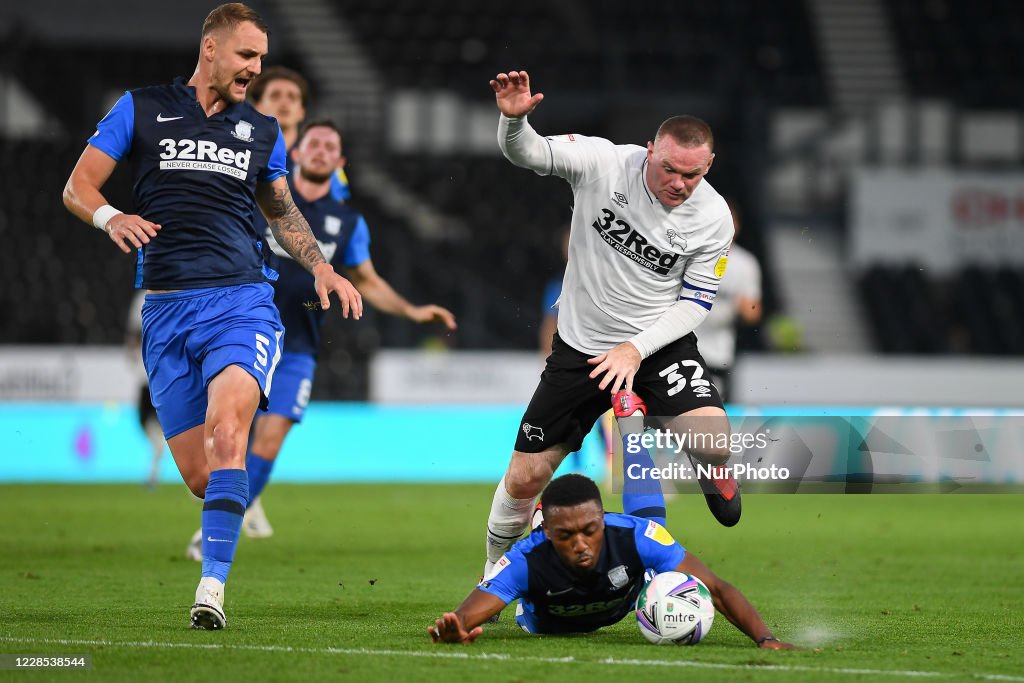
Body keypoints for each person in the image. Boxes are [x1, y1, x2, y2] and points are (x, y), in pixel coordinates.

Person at [62, 3, 362, 630]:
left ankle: (211, 590)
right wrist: (109, 217)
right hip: (167, 311)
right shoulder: (140, 108)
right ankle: (222, 522)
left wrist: (323, 269)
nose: (255, 69)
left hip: (241, 302)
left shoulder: (261, 130)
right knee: (204, 477)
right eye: (247, 56)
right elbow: (77, 187)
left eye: (260, 57)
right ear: (210, 49)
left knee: (230, 437)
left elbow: (281, 212)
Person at [483, 70, 742, 582]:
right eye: (669, 169)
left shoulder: (714, 218)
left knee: (714, 440)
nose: (679, 184)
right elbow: (527, 153)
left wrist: (634, 349)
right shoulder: (603, 162)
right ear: (649, 150)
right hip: (581, 349)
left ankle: (711, 469)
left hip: (658, 346)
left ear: (709, 165)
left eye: (692, 175)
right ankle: (493, 571)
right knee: (523, 479)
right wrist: (514, 123)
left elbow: (695, 304)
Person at [184, 119, 456, 557]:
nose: (322, 150)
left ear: (340, 161)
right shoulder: (264, 201)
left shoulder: (348, 222)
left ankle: (216, 531)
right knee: (227, 436)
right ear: (297, 152)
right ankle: (227, 509)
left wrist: (411, 309)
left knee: (269, 440)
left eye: (331, 146)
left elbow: (366, 279)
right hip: (242, 334)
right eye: (314, 143)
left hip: (297, 349)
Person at [430, 472, 793, 648]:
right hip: (542, 623)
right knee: (502, 579)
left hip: (623, 599)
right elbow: (461, 618)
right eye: (566, 536)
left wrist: (765, 639)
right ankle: (524, 538)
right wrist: (455, 628)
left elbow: (716, 589)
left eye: (589, 529)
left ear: (603, 519)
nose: (581, 544)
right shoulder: (527, 559)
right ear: (547, 535)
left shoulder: (634, 536)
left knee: (657, 541)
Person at [247, 66, 351, 202]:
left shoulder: (322, 159)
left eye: (292, 97)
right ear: (257, 107)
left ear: (302, 112)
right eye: (275, 95)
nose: (284, 103)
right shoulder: (236, 155)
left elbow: (337, 209)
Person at [694, 202, 762, 403]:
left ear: (737, 225)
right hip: (683, 346)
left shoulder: (745, 264)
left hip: (718, 352)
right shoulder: (692, 253)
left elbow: (753, 313)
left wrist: (747, 308)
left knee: (710, 411)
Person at [125, 290, 166, 489]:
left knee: (162, 440)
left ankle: (153, 473)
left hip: (163, 377)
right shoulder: (142, 298)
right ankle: (153, 471)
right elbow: (134, 332)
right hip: (148, 379)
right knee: (157, 438)